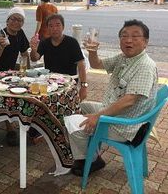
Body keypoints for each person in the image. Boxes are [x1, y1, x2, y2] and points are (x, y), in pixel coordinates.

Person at [68, 19, 158, 176]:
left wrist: (97, 116)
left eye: (135, 36)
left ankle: (93, 160)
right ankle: (89, 149)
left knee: (73, 123)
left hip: (126, 126)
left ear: (145, 42)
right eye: (124, 35)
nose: (128, 40)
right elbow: (97, 65)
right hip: (115, 112)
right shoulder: (124, 57)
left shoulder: (145, 66)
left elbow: (129, 100)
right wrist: (93, 51)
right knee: (74, 106)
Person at [0, 7, 30, 146]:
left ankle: (21, 120)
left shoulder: (20, 34)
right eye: (13, 19)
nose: (16, 22)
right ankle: (9, 128)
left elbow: (24, 53)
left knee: (23, 90)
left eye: (20, 20)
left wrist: (27, 71)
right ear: (7, 21)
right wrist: (2, 46)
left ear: (22, 23)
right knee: (5, 96)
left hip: (9, 73)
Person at [30, 13, 88, 101]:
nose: (54, 29)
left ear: (63, 27)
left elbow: (81, 64)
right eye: (51, 26)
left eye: (58, 25)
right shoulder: (45, 42)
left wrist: (83, 86)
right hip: (50, 82)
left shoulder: (72, 42)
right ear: (47, 29)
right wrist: (33, 49)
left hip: (68, 82)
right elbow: (35, 58)